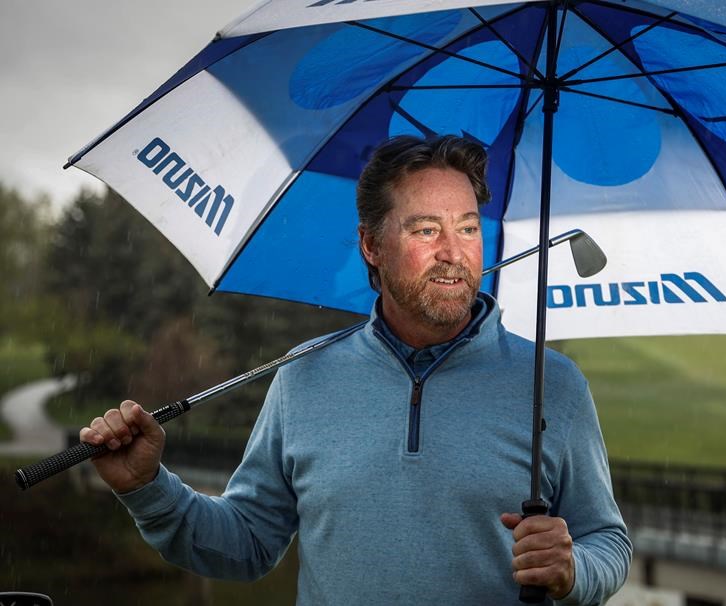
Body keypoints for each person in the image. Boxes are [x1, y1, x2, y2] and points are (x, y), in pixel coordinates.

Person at [79, 135, 632, 604]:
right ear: (371, 245)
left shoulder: (553, 384)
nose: (453, 252)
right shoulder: (302, 377)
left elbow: (607, 543)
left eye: (467, 228)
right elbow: (246, 544)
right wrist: (147, 489)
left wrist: (573, 569)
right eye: (425, 230)